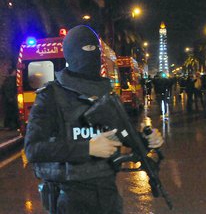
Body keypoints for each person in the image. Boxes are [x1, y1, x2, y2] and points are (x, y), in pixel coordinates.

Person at [24, 25, 164, 214]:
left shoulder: (106, 93)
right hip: (70, 195)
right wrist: (88, 148)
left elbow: (122, 133)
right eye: (87, 49)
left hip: (107, 192)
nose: (94, 55)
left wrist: (146, 140)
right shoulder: (51, 96)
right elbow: (33, 149)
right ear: (71, 53)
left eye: (96, 49)